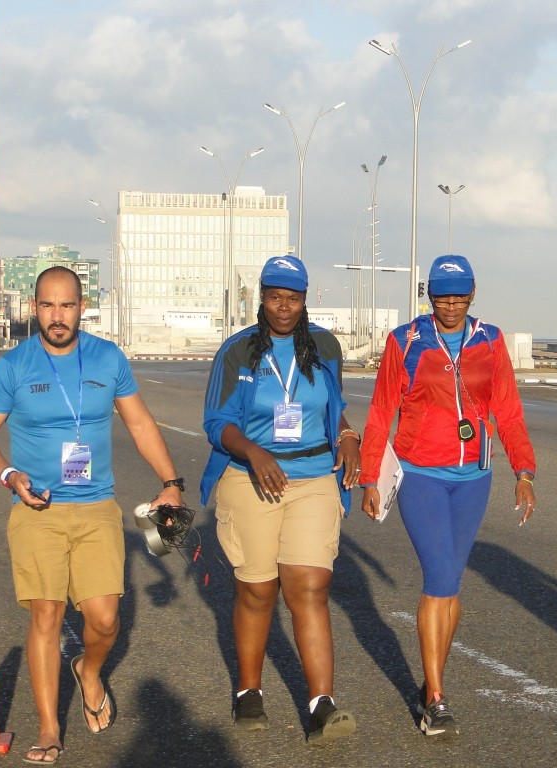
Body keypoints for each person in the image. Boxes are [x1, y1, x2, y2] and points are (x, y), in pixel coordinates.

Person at [0, 266, 184, 764]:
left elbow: (138, 421)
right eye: (47, 305)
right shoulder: (14, 365)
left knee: (105, 621)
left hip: (96, 508)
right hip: (36, 509)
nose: (57, 316)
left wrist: (171, 482)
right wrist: (8, 476)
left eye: (67, 305)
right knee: (46, 615)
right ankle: (49, 729)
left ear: (81, 308)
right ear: (33, 307)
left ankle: (88, 670)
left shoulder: (107, 358)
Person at [358, 254, 536, 739]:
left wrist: (525, 470)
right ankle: (435, 699)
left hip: (474, 478)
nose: (451, 305)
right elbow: (381, 410)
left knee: (451, 586)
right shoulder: (406, 341)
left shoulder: (491, 340)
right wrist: (370, 476)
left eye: (459, 296)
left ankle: (430, 681)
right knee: (438, 579)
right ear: (429, 296)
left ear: (473, 294)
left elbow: (508, 410)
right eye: (441, 297)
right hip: (422, 476)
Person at [201, 255, 361, 745]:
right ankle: (249, 690)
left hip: (314, 477)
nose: (283, 308)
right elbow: (216, 422)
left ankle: (321, 705)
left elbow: (334, 407)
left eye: (292, 299)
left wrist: (349, 433)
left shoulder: (326, 347)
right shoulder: (239, 351)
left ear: (305, 300)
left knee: (309, 586)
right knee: (257, 589)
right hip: (251, 478)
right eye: (274, 298)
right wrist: (252, 451)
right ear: (261, 298)